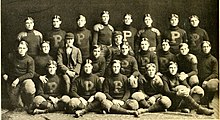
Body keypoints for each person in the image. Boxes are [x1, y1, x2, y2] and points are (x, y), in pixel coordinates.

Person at [2, 41, 35, 111]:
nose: (22, 50)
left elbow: (31, 74)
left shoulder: (29, 59)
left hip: (24, 79)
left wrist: (18, 79)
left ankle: (29, 103)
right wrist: (4, 74)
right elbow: (3, 65)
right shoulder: (11, 56)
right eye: (20, 48)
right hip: (12, 80)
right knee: (17, 106)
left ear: (27, 49)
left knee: (30, 87)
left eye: (24, 48)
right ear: (17, 48)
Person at [198, 41, 218, 109]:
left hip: (209, 79)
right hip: (200, 79)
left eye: (207, 47)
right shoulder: (199, 58)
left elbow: (215, 73)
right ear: (202, 48)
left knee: (212, 85)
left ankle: (210, 101)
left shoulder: (213, 60)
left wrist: (206, 80)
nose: (205, 48)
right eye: (204, 47)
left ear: (210, 48)